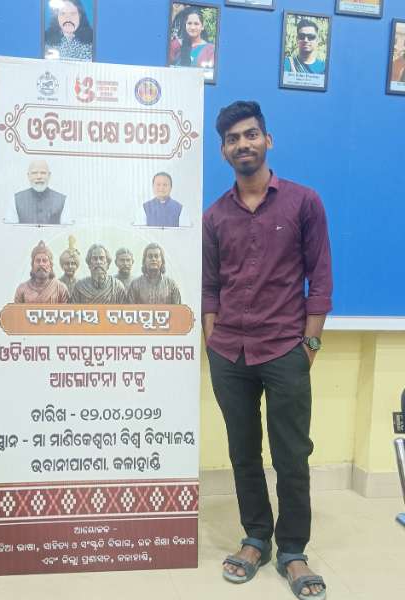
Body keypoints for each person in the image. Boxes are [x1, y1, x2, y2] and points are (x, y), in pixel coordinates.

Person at [202, 101, 332, 599]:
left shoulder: (304, 202)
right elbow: (210, 287)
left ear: (267, 140)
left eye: (250, 134)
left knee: (292, 454)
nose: (243, 144)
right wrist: (212, 341)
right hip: (229, 353)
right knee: (243, 452)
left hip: (284, 350)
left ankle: (293, 550)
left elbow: (320, 280)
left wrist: (309, 345)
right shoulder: (215, 215)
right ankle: (255, 536)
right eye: (233, 139)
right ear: (224, 151)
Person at [5, 160, 71, 225]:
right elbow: (10, 229)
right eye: (34, 173)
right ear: (28, 176)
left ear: (49, 175)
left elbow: (67, 230)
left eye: (43, 173)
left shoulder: (63, 200)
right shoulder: (16, 199)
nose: (39, 177)